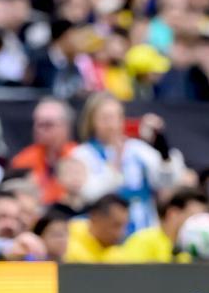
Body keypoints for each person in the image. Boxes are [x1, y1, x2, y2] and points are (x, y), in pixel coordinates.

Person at [70, 93, 172, 234]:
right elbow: (89, 194)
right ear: (92, 121)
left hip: (144, 228)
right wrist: (115, 164)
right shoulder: (81, 154)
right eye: (105, 119)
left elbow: (165, 180)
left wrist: (163, 150)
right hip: (105, 231)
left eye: (116, 117)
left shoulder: (137, 149)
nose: (112, 124)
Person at [109, 188, 207, 263]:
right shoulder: (144, 241)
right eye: (193, 216)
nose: (198, 223)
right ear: (173, 214)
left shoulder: (189, 250)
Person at [10, 98, 77, 205]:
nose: (39, 129)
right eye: (37, 124)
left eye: (48, 124)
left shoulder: (79, 155)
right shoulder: (22, 160)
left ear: (66, 127)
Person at [64, 193, 130, 262]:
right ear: (95, 218)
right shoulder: (65, 243)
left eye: (124, 226)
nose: (122, 233)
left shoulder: (118, 255)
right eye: (115, 225)